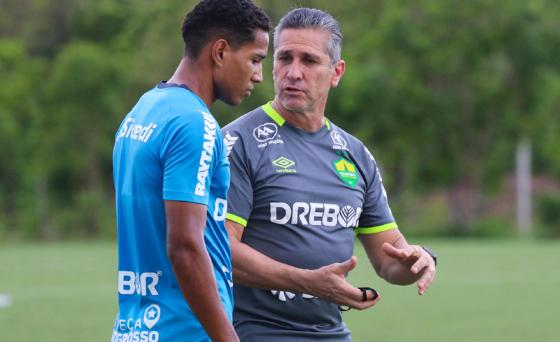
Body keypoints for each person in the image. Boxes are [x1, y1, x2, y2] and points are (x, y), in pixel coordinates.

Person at [222, 7, 437, 341]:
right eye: (284, 59)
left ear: (336, 72)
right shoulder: (239, 143)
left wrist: (416, 262)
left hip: (331, 333)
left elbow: (389, 256)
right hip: (253, 332)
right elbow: (220, 250)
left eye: (308, 61)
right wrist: (306, 281)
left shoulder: (355, 154)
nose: (293, 72)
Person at [111, 1, 270, 341]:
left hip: (135, 330)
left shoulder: (142, 111)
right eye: (255, 60)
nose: (258, 75)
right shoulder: (193, 124)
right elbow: (184, 245)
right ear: (221, 52)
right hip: (184, 330)